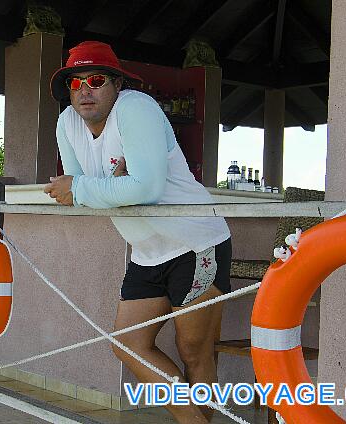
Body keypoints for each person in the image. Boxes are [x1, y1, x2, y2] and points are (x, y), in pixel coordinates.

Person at [44, 41, 231, 424]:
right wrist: (107, 187)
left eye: (95, 80)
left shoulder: (135, 108)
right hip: (146, 251)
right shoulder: (66, 122)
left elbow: (141, 189)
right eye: (75, 84)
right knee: (129, 343)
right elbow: (85, 193)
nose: (84, 91)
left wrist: (90, 189)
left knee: (194, 350)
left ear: (117, 84)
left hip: (196, 241)